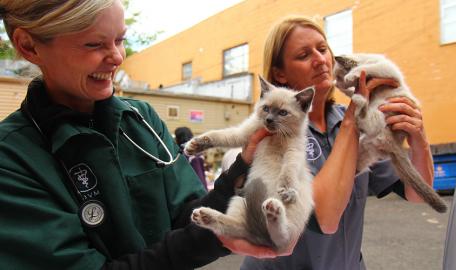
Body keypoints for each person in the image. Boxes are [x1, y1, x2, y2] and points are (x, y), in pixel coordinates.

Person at [0, 1, 280, 269]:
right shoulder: (12, 158)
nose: (118, 57)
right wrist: (211, 238)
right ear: (29, 46)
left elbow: (188, 217)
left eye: (120, 39)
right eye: (94, 44)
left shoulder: (141, 121)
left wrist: (238, 177)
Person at [241, 15, 435, 270]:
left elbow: (417, 193)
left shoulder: (349, 119)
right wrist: (353, 119)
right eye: (303, 55)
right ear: (280, 73)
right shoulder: (273, 131)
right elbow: (323, 218)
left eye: (323, 49)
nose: (321, 60)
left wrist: (418, 137)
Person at [174, 126, 208, 190]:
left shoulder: (183, 154)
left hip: (192, 190)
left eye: (176, 138)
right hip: (202, 188)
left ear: (179, 138)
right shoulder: (198, 151)